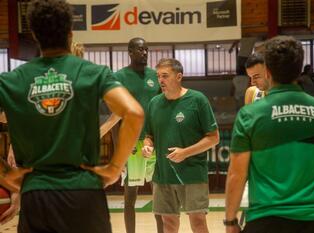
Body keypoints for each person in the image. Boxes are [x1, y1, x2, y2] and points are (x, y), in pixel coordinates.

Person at [0, 1, 144, 233]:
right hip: (84, 191)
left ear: (35, 35)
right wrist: (114, 168)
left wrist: (5, 174)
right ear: (70, 33)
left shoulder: (12, 79)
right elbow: (135, 113)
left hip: (36, 194)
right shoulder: (93, 73)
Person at [225, 36, 314, 233]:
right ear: (300, 70)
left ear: (268, 71)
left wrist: (230, 221)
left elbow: (237, 174)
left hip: (266, 220)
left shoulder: (250, 115)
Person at [142, 58, 219, 233]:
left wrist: (185, 152)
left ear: (179, 76)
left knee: (198, 221)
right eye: (158, 76)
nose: (160, 80)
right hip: (162, 174)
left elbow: (213, 138)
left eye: (165, 76)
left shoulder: (197, 100)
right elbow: (149, 136)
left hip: (192, 173)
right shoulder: (154, 103)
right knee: (168, 222)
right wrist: (148, 146)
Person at [112, 37, 163, 233]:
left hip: (154, 141)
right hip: (131, 144)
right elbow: (116, 116)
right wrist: (120, 150)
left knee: (159, 195)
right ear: (130, 52)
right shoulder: (119, 77)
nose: (144, 53)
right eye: (140, 50)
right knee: (130, 197)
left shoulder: (156, 76)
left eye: (146, 50)